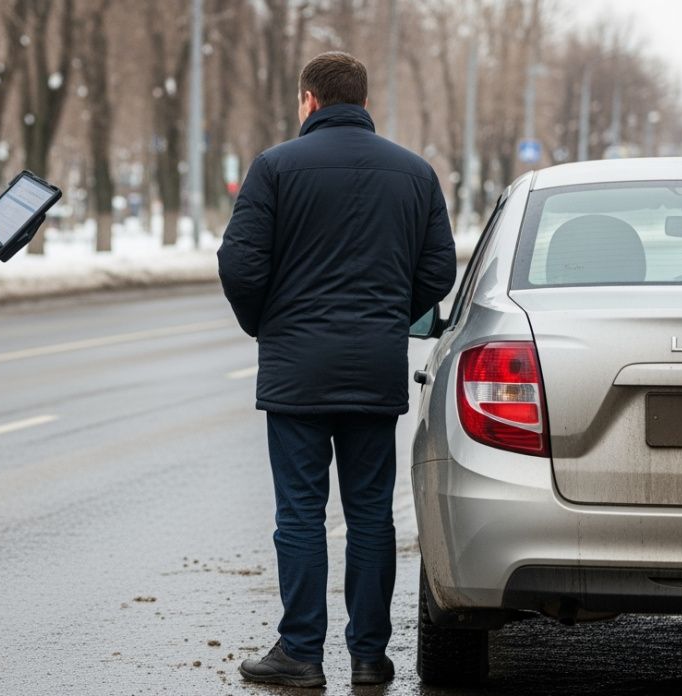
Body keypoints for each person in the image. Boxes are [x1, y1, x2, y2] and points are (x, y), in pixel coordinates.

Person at [218, 51, 456, 688]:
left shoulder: (274, 168)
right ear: (362, 98)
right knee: (372, 514)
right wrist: (386, 315)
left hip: (297, 371)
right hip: (373, 370)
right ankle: (369, 657)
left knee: (299, 512)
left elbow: (239, 264)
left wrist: (269, 323)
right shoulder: (415, 173)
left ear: (310, 100)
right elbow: (438, 272)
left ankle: (300, 653)